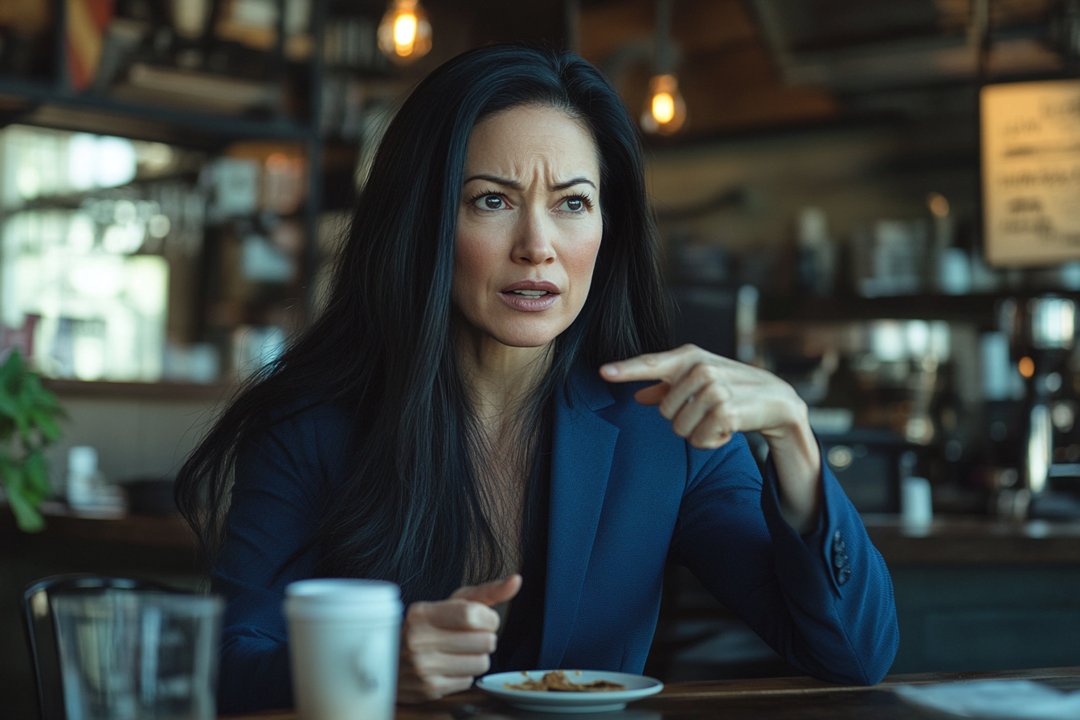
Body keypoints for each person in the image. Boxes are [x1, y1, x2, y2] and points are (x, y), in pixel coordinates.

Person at [175, 43, 899, 713]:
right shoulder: (313, 425)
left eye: (572, 204)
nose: (537, 247)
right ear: (424, 222)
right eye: (492, 200)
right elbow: (225, 668)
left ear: (604, 231)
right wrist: (368, 664)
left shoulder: (662, 428)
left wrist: (795, 439)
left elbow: (854, 655)